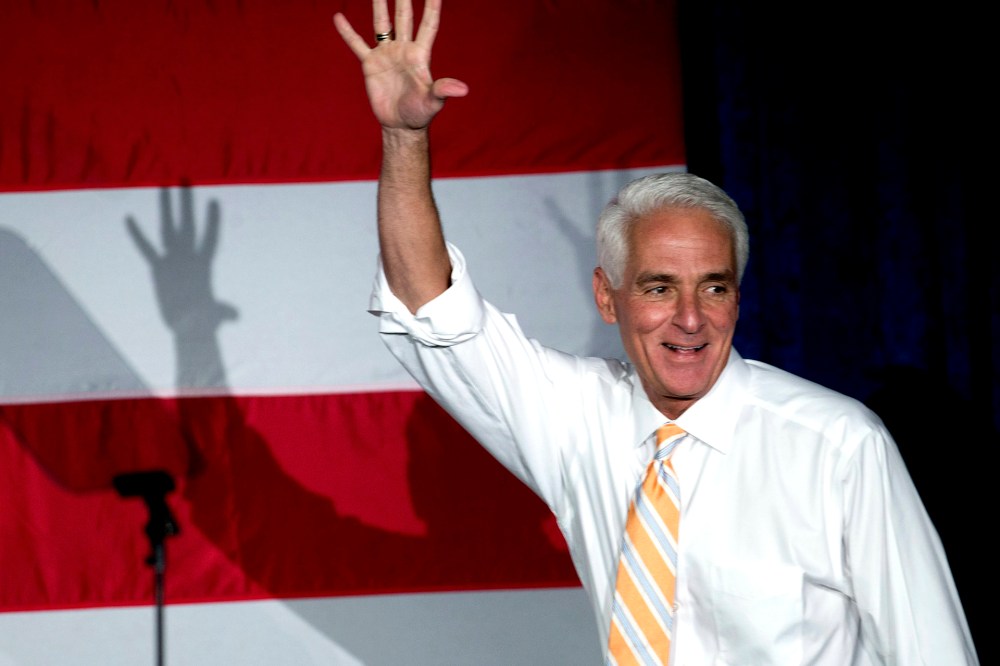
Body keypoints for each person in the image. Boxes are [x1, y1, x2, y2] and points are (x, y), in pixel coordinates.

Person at [334, 1, 980, 663]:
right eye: (659, 288)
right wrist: (404, 140)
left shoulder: (840, 446)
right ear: (606, 297)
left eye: (714, 287)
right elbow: (431, 307)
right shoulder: (576, 420)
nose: (691, 319)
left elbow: (932, 651)